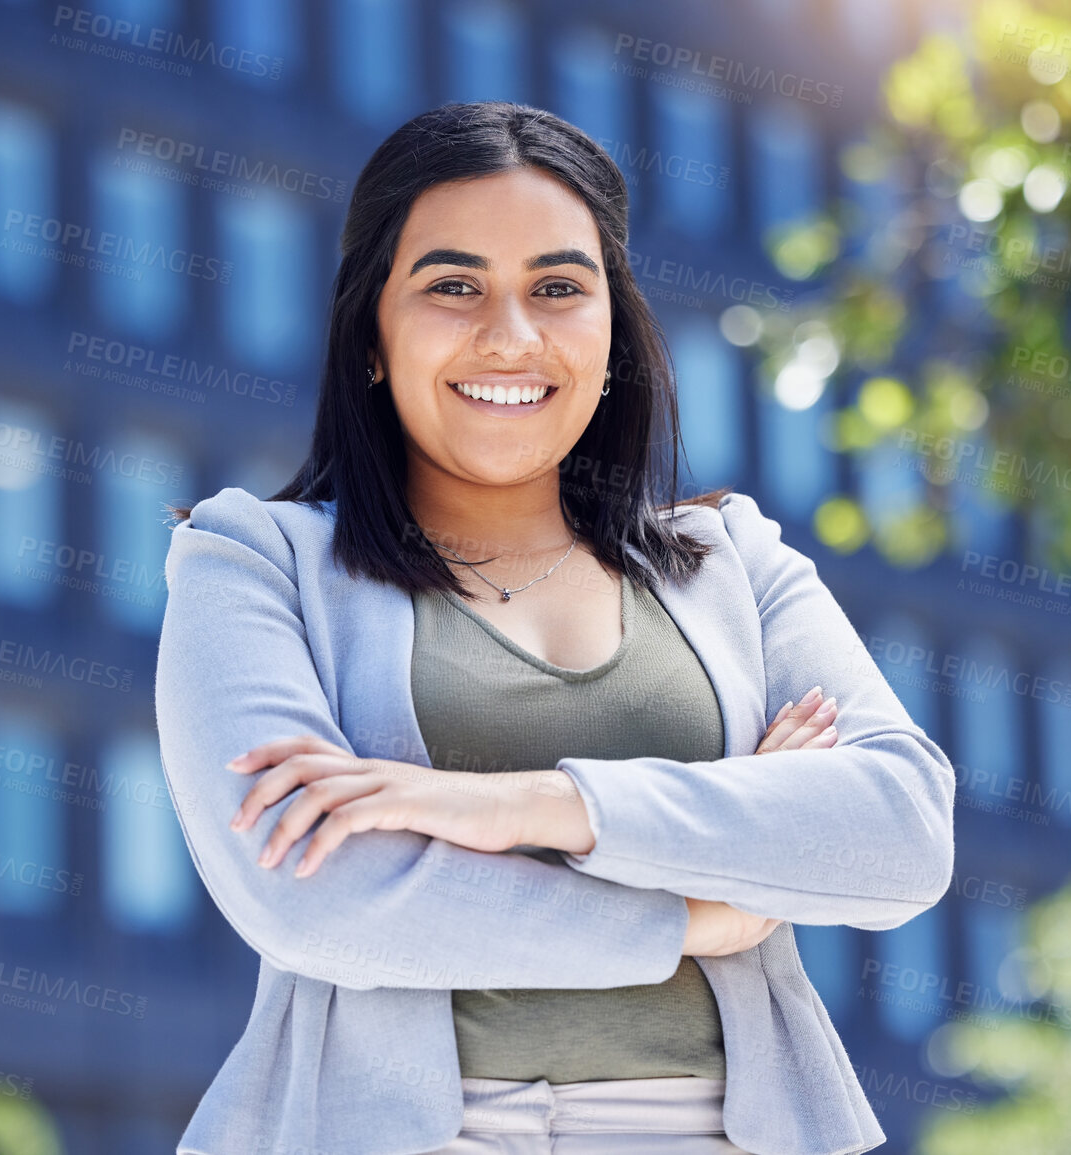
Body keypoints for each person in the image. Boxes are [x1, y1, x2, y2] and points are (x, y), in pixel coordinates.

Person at [154, 101, 956, 1155]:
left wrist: (528, 806)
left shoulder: (732, 562)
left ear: (613, 334)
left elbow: (897, 837)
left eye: (559, 289)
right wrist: (691, 917)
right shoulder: (252, 561)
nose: (511, 335)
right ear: (370, 338)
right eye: (453, 286)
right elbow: (309, 893)